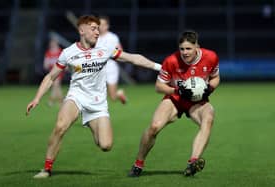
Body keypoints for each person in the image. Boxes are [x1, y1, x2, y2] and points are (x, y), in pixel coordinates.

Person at [26, 15, 161, 179]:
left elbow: (133, 58)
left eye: (98, 28)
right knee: (60, 126)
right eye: (93, 28)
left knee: (105, 145)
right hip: (76, 97)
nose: (97, 32)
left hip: (98, 103)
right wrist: (37, 98)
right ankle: (46, 169)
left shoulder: (104, 49)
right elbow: (50, 77)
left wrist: (160, 67)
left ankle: (89, 121)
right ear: (81, 30)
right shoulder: (68, 53)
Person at [128, 30, 220, 177]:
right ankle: (138, 164)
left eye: (189, 48)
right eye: (182, 49)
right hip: (175, 98)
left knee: (208, 119)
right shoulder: (171, 61)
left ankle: (193, 162)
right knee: (154, 127)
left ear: (197, 47)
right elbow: (159, 86)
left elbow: (216, 77)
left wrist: (209, 89)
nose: (185, 52)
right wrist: (178, 91)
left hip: (197, 101)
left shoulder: (211, 57)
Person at [96, 15, 127, 104]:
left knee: (112, 96)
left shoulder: (112, 37)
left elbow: (120, 51)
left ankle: (119, 93)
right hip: (98, 66)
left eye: (103, 25)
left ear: (107, 26)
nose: (101, 27)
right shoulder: (95, 37)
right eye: (99, 24)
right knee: (97, 93)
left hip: (110, 66)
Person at [43, 38, 64, 106]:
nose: (52, 44)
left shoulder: (60, 52)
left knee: (55, 85)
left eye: (53, 43)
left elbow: (64, 61)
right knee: (57, 86)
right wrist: (47, 64)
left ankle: (51, 101)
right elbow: (45, 63)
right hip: (52, 71)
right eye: (51, 43)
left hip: (59, 71)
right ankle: (61, 101)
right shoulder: (48, 52)